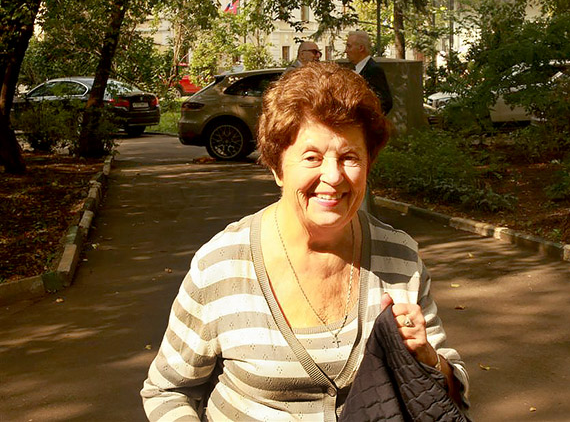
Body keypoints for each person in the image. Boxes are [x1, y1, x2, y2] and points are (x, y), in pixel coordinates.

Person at [141, 62, 468, 421]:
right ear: (277, 166)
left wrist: (427, 359)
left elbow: (449, 390)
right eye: (312, 157)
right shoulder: (222, 264)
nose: (333, 176)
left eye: (350, 157)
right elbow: (167, 390)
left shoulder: (399, 256)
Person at [345, 30, 393, 114]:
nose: (346, 51)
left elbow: (385, 102)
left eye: (349, 46)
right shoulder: (356, 69)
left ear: (361, 48)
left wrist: (367, 118)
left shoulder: (373, 70)